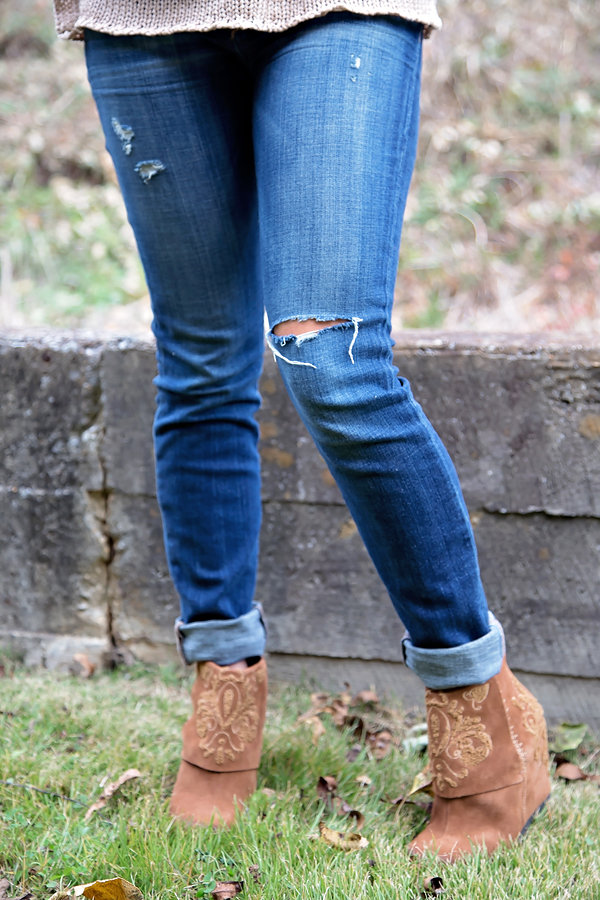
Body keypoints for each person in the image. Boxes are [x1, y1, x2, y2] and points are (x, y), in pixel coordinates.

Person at [53, 0, 551, 861]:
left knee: (337, 362)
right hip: (135, 15)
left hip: (336, 7)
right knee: (202, 363)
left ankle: (480, 707)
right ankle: (224, 689)